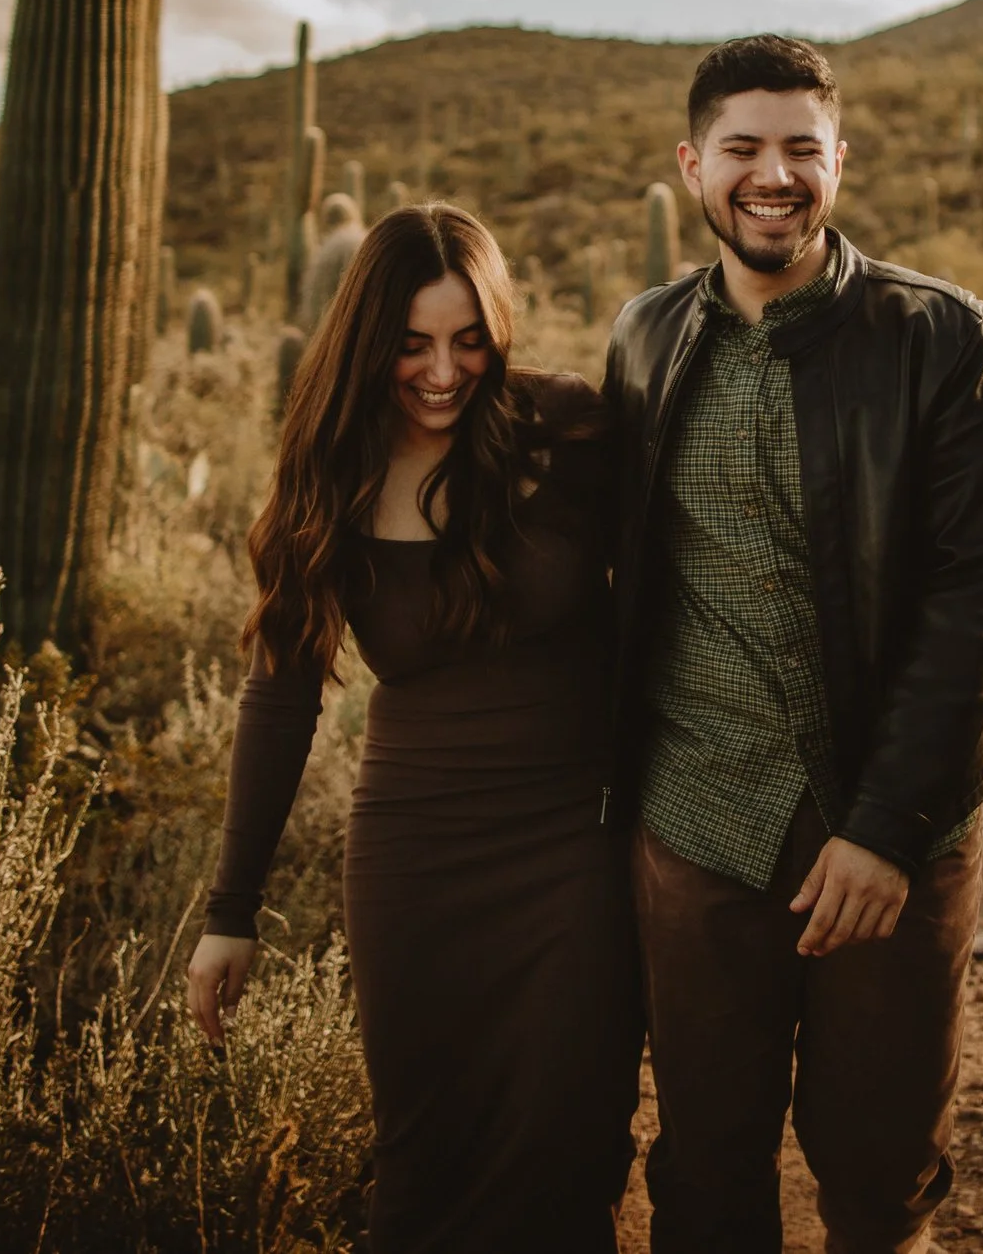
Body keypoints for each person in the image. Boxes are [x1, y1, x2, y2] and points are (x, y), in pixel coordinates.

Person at [604, 35, 983, 1251]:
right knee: (706, 1159)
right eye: (742, 148)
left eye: (801, 148)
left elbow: (972, 601)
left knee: (880, 1163)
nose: (772, 175)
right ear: (694, 166)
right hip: (697, 818)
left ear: (838, 161)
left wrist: (885, 826)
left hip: (888, 829)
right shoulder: (644, 336)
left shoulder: (943, 340)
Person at [186, 203, 641, 1251]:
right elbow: (280, 695)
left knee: (569, 1145)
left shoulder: (564, 427)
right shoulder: (328, 475)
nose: (443, 370)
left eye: (467, 337)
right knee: (424, 1156)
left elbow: (668, 598)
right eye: (412, 343)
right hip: (415, 853)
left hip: (576, 838)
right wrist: (231, 908)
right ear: (366, 340)